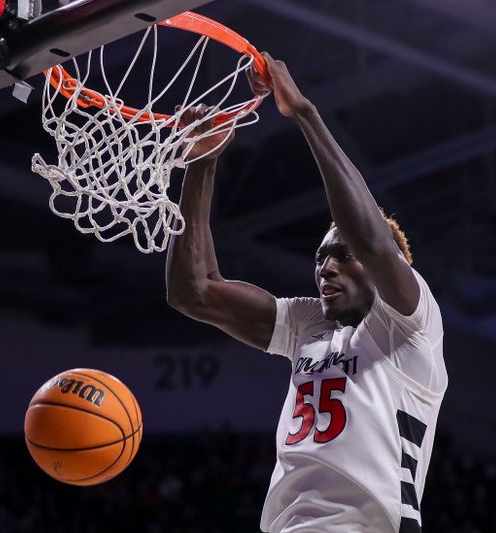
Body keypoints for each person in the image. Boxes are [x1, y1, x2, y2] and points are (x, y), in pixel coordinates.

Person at [166, 52, 448, 533]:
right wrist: (203, 164)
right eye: (320, 258)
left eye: (342, 255)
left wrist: (305, 113)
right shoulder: (308, 325)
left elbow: (373, 242)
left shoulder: (410, 326)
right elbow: (194, 291)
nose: (326, 267)